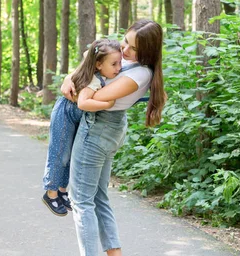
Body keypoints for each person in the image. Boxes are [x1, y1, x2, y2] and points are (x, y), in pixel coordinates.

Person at [63, 19, 166, 256]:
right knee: (98, 198)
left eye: (133, 48)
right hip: (105, 132)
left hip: (98, 131)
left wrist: (81, 73)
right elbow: (78, 80)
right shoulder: (128, 65)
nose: (124, 50)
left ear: (147, 52)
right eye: (125, 41)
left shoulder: (139, 74)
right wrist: (82, 68)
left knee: (81, 202)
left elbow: (86, 97)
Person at [42, 38, 123, 217]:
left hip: (76, 117)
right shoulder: (93, 79)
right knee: (60, 153)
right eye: (114, 64)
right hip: (65, 113)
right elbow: (83, 103)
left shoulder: (102, 70)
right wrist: (107, 104)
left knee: (70, 155)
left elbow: (90, 53)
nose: (119, 68)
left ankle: (62, 191)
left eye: (120, 63)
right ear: (99, 64)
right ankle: (51, 192)